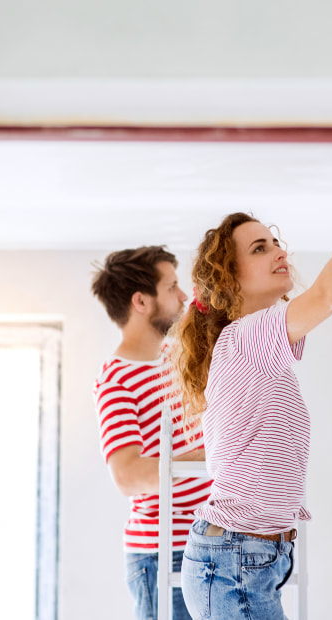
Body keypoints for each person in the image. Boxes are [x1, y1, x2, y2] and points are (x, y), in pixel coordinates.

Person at [171, 145, 332, 619]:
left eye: (275, 241)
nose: (279, 251)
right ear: (229, 282)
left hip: (246, 559)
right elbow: (328, 296)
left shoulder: (256, 343)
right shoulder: (245, 338)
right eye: (259, 248)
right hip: (233, 564)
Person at [91, 245, 212, 620]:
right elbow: (127, 476)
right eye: (173, 286)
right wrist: (212, 456)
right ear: (141, 301)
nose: (183, 297)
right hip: (163, 554)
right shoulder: (116, 379)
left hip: (207, 541)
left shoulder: (178, 356)